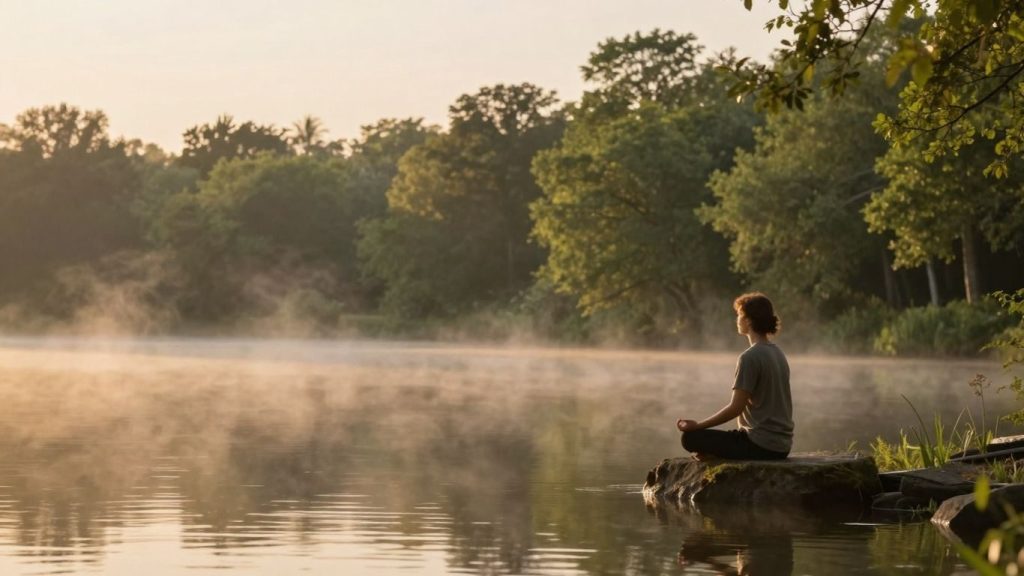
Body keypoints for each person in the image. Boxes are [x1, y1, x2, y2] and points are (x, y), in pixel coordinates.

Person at [676, 292, 793, 460]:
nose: (737, 319)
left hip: (760, 445)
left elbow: (735, 408)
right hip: (782, 447)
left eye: (739, 314)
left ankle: (713, 454)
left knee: (690, 438)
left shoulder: (749, 357)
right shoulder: (778, 353)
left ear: (749, 320)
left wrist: (698, 426)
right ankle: (713, 454)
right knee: (723, 438)